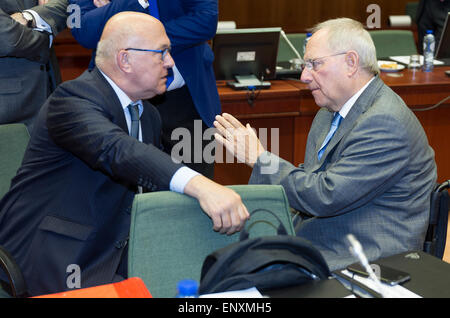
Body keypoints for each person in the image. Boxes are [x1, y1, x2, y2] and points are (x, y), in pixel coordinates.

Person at [0, 12, 249, 297]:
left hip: (115, 251)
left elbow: (152, 179)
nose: (171, 62)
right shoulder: (72, 100)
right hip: (55, 255)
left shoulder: (148, 115)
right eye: (162, 52)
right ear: (125, 59)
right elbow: (117, 150)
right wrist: (201, 185)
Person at [214, 18, 437, 271]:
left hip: (366, 259)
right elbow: (312, 178)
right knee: (225, 252)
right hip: (326, 238)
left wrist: (260, 159)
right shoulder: (330, 111)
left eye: (314, 64)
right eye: (304, 65)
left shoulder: (384, 121)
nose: (304, 76)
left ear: (351, 63)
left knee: (240, 274)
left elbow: (325, 196)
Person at [68, 0, 220, 179]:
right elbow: (82, 29)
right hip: (121, 101)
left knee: (197, 193)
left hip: (187, 102)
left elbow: (206, 21)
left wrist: (137, 40)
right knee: (127, 193)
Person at [0, 0, 68, 133]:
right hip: (9, 109)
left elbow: (69, 5)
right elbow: (6, 38)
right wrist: (45, 39)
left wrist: (29, 17)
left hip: (50, 95)